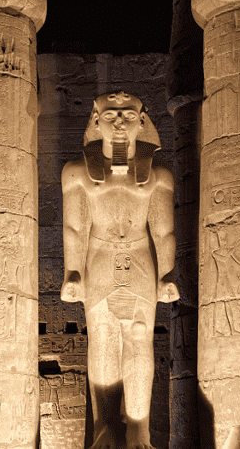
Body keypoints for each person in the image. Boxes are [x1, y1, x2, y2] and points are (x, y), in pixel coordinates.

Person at [61, 92, 177, 449]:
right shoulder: (78, 173)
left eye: (128, 114)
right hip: (98, 261)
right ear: (96, 120)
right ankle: (104, 425)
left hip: (141, 262)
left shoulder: (158, 176)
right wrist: (72, 272)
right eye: (111, 114)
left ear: (142, 121)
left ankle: (139, 428)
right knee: (103, 338)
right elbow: (75, 228)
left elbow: (163, 230)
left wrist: (167, 275)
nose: (120, 122)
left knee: (140, 336)